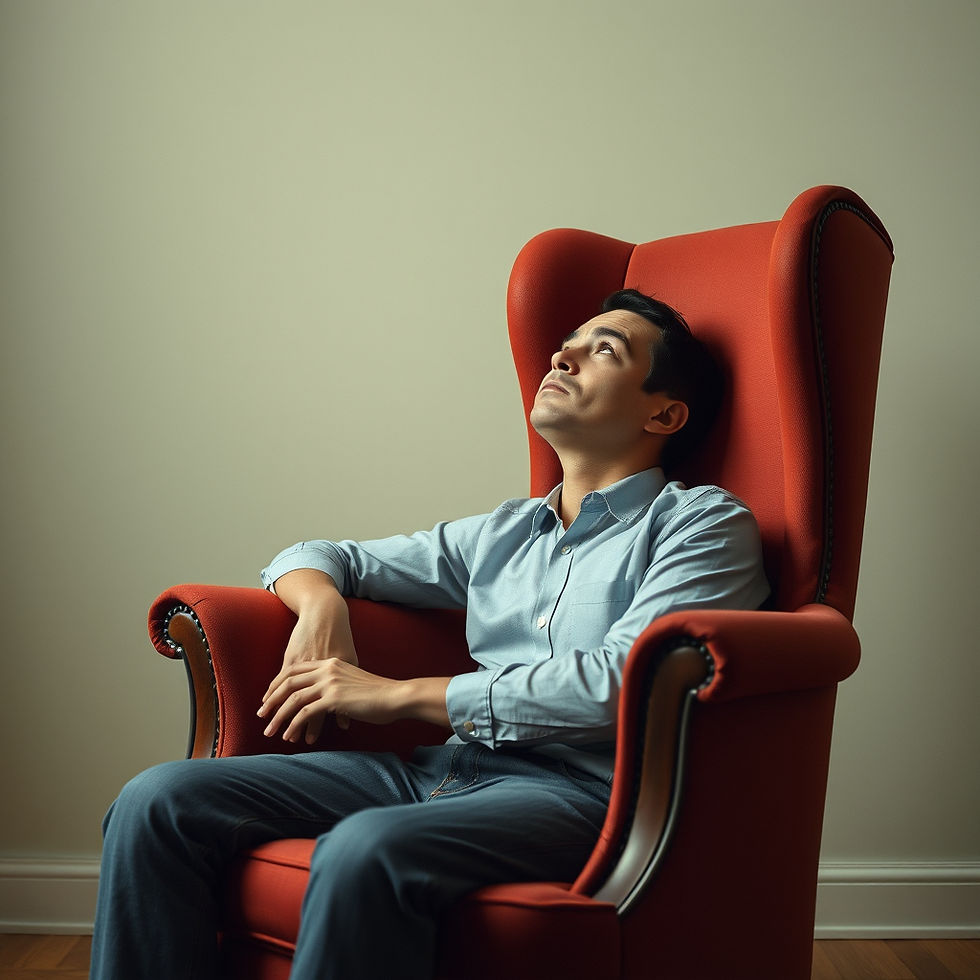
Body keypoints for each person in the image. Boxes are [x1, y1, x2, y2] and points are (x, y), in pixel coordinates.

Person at [91, 289, 769, 979]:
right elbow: (313, 555)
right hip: (437, 773)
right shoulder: (502, 533)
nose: (561, 355)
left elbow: (625, 682)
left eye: (604, 350)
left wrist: (393, 697)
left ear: (664, 412)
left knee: (365, 849)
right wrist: (326, 609)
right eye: (569, 340)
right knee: (157, 802)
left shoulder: (703, 527)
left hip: (581, 796)